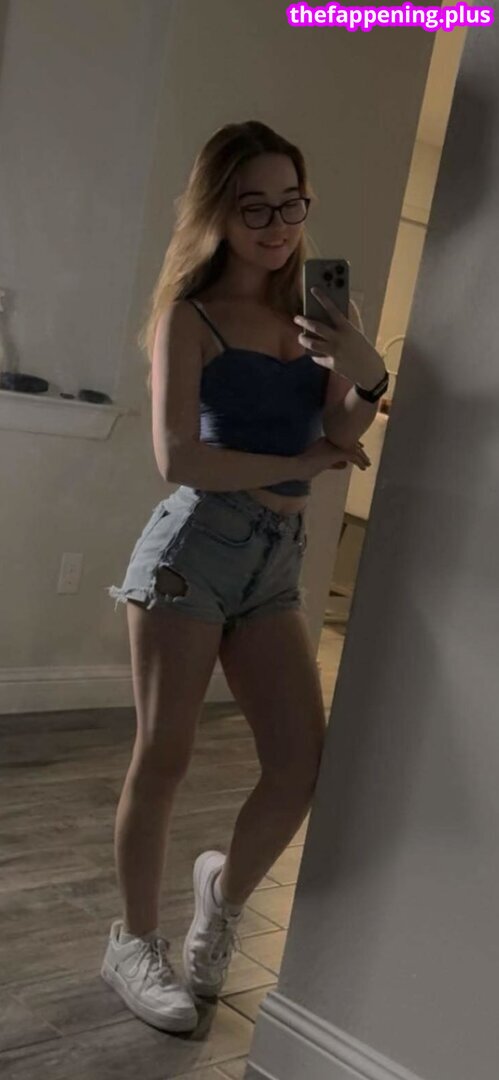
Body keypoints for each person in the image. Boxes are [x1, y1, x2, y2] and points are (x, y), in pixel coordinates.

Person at [101, 120, 387, 1034]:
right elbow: (178, 457)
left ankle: (220, 899)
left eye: (289, 204)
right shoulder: (188, 318)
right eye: (252, 206)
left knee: (299, 764)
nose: (276, 225)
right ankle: (132, 943)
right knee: (165, 753)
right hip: (194, 550)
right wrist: (298, 462)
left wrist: (366, 375)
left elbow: (337, 436)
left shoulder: (318, 316)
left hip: (275, 562)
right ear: (217, 213)